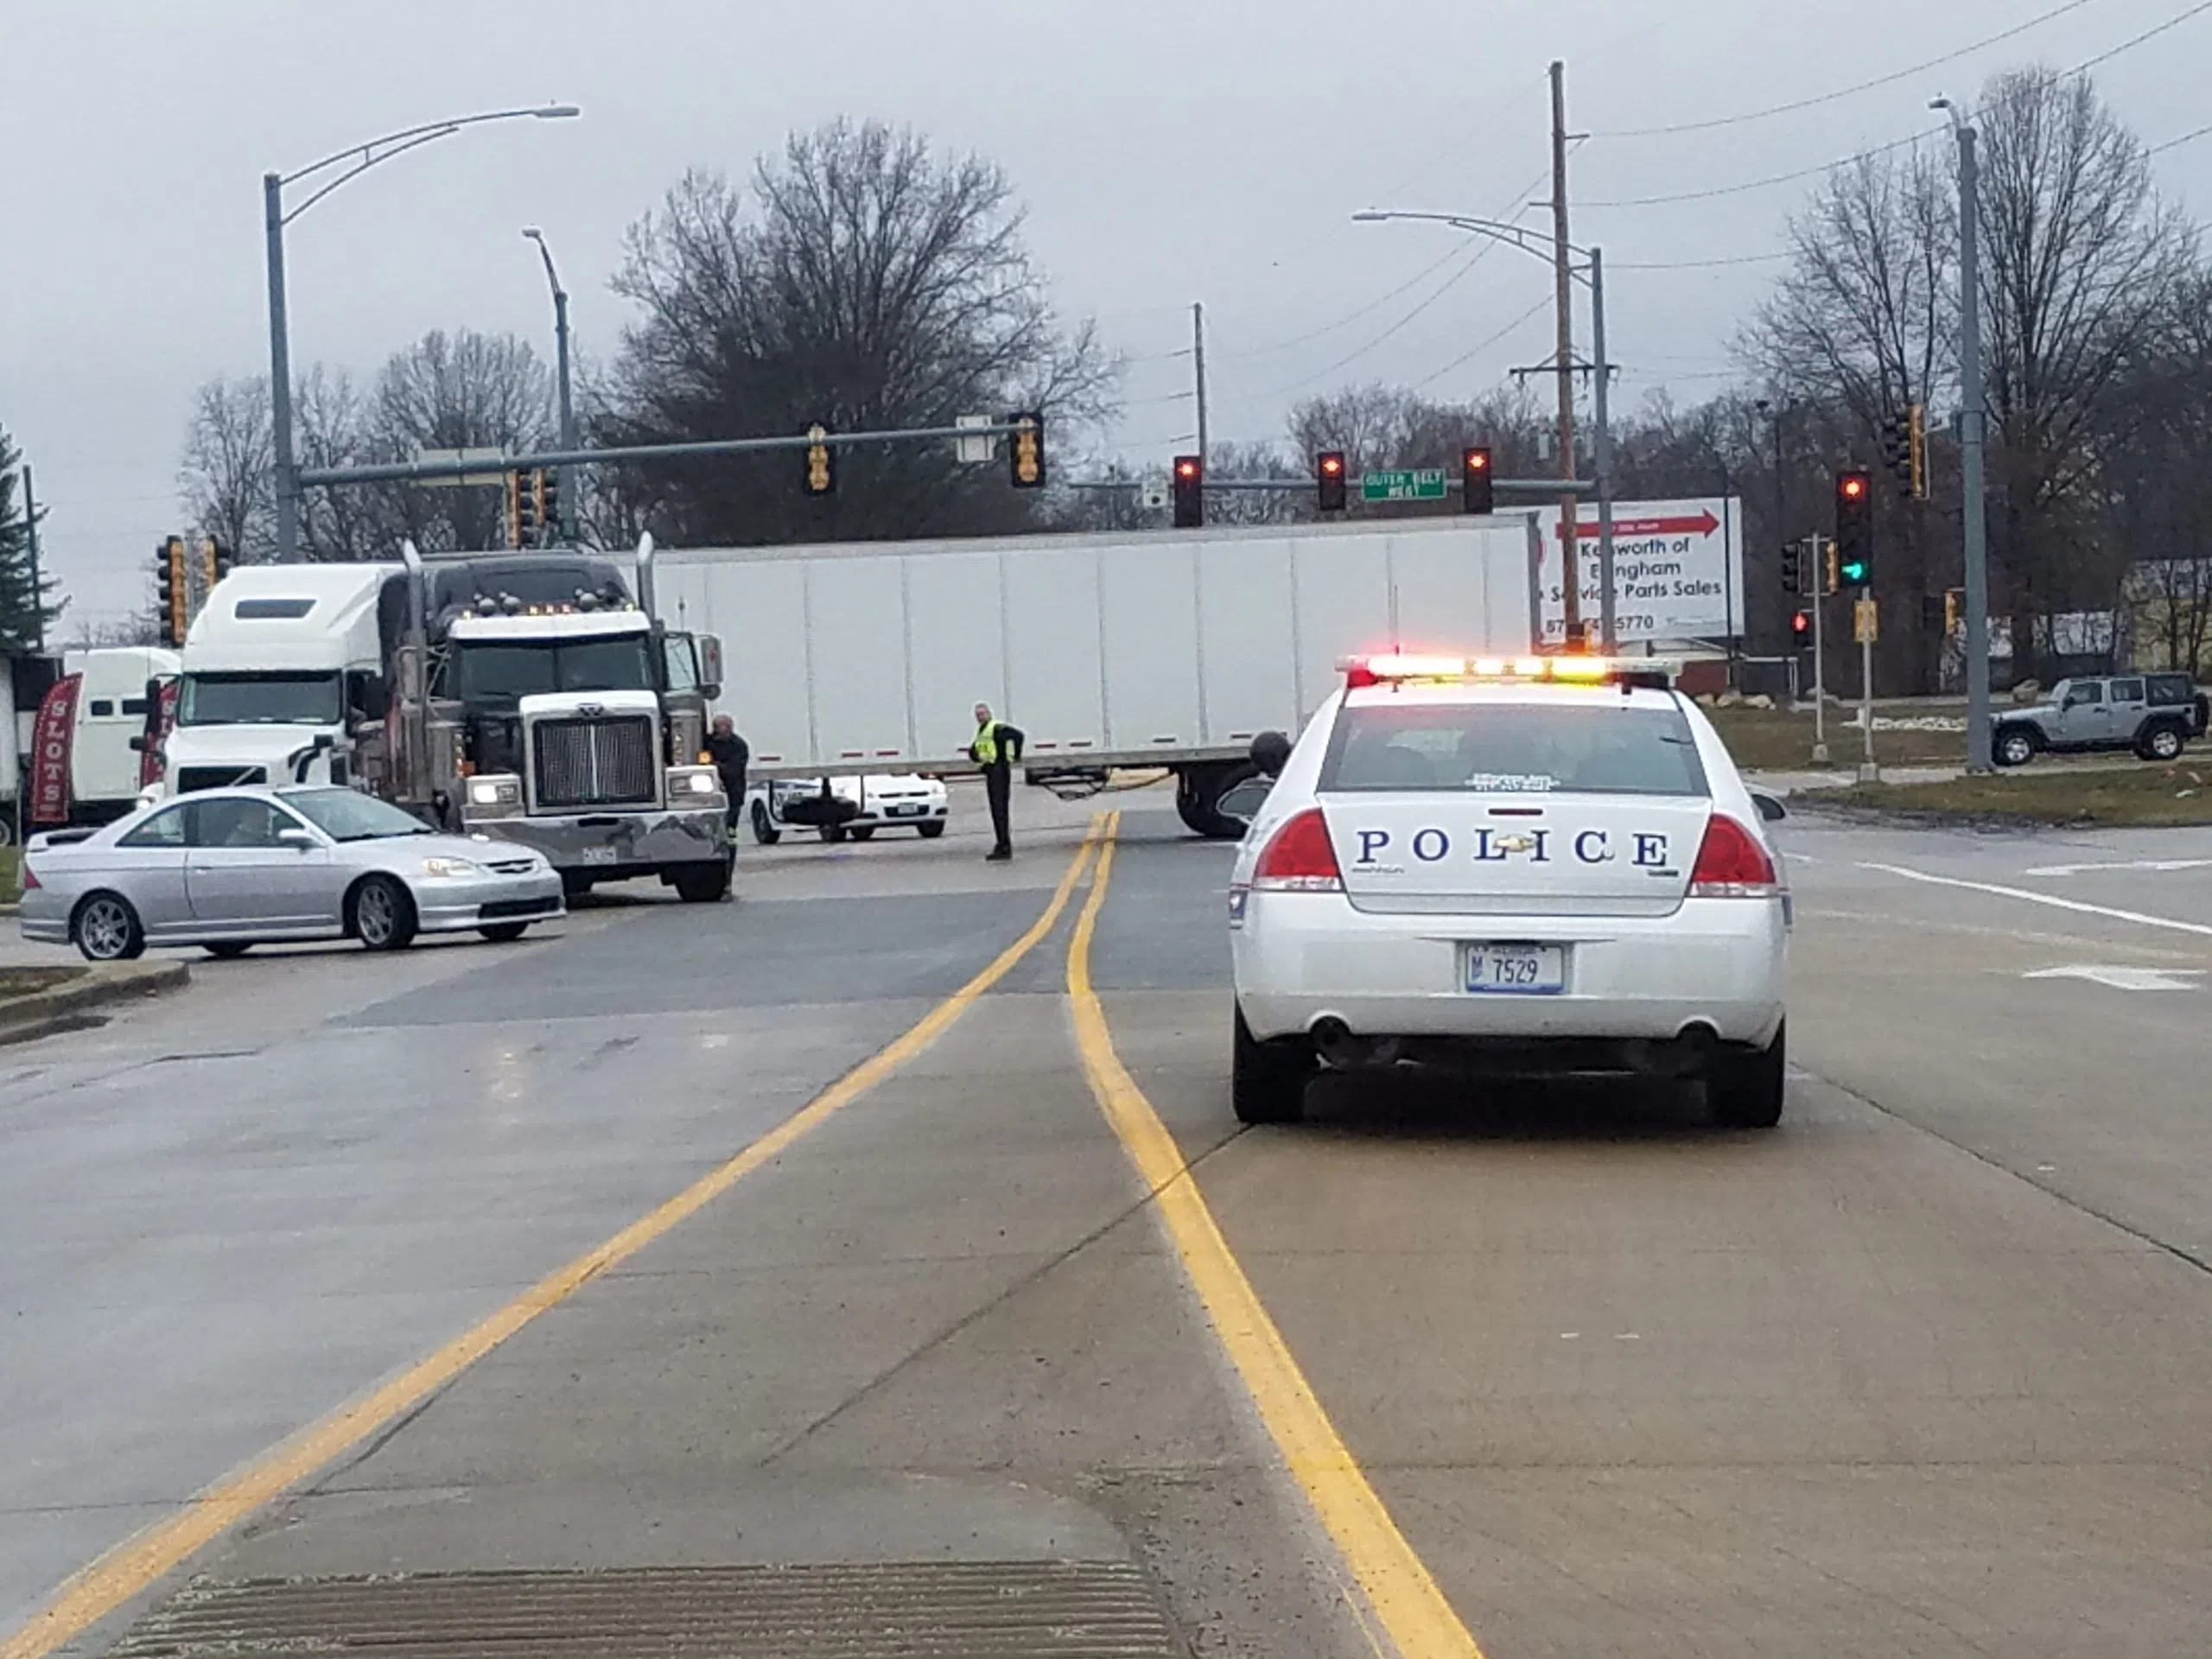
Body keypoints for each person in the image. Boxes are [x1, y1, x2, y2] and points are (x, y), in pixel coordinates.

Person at [968, 701, 1025, 861]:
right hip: (992, 771)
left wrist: (1016, 755)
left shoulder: (996, 728)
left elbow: (1018, 736)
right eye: (978, 715)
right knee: (996, 810)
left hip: (999, 771)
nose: (980, 717)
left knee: (1000, 811)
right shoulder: (983, 730)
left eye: (982, 714)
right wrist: (976, 757)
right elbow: (976, 749)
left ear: (989, 713)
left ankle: (1004, 847)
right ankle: (1001, 844)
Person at [705, 715, 750, 837]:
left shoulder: (739, 745)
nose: (720, 729)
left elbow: (735, 769)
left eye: (724, 726)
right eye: (717, 726)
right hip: (710, 790)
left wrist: (715, 765)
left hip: (734, 790)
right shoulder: (707, 742)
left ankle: (731, 843)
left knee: (731, 822)